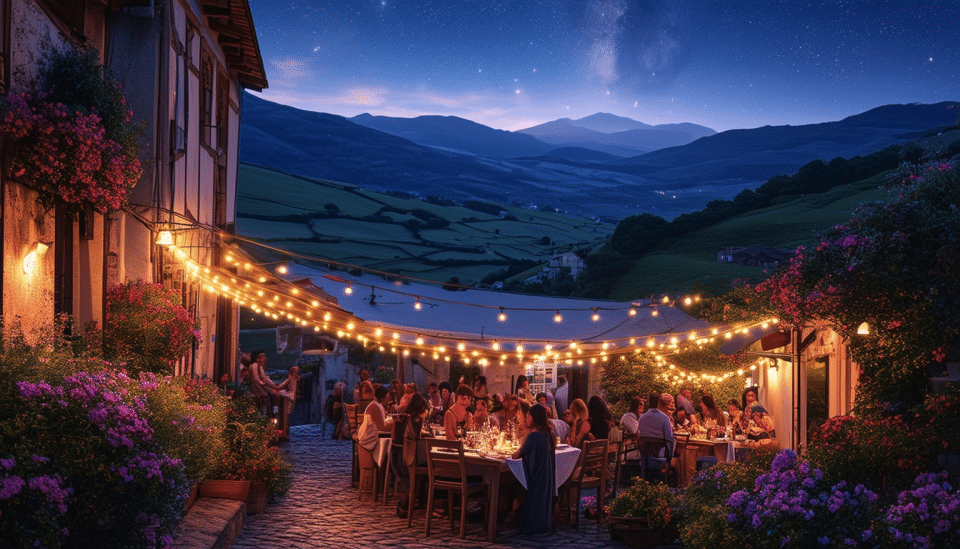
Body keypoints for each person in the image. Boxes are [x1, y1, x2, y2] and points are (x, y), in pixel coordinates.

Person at [512, 404, 556, 535]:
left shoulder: (533, 436)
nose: (526, 418)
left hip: (536, 475)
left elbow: (517, 454)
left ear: (534, 417)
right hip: (545, 475)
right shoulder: (548, 434)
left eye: (528, 415)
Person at [391, 392, 429, 518]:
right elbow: (417, 438)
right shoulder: (416, 421)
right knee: (429, 468)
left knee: (425, 468)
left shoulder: (406, 418)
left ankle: (411, 502)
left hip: (401, 456)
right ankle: (414, 502)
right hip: (408, 459)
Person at [636, 393, 676, 476]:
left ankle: (644, 478)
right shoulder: (664, 418)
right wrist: (669, 459)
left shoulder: (642, 418)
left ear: (648, 403)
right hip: (659, 453)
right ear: (658, 403)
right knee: (672, 442)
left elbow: (639, 435)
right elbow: (669, 438)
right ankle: (668, 468)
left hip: (645, 454)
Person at [357, 385, 393, 453]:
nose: (390, 400)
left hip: (373, 437)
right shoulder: (375, 406)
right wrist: (395, 425)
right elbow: (381, 428)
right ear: (383, 398)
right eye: (388, 397)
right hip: (368, 439)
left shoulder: (379, 406)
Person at [248, 350, 280, 416]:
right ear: (257, 358)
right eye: (262, 356)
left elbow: (264, 378)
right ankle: (266, 412)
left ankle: (274, 412)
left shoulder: (260, 367)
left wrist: (274, 386)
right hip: (256, 387)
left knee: (275, 394)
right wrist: (264, 384)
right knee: (265, 396)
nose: (264, 358)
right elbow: (256, 379)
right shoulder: (254, 365)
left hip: (260, 385)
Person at [275, 366, 299, 441]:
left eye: (297, 372)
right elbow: (281, 386)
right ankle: (284, 433)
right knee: (286, 416)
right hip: (289, 397)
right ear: (292, 372)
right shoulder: (290, 379)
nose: (296, 373)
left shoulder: (294, 379)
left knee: (287, 415)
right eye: (295, 372)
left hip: (291, 397)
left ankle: (285, 432)